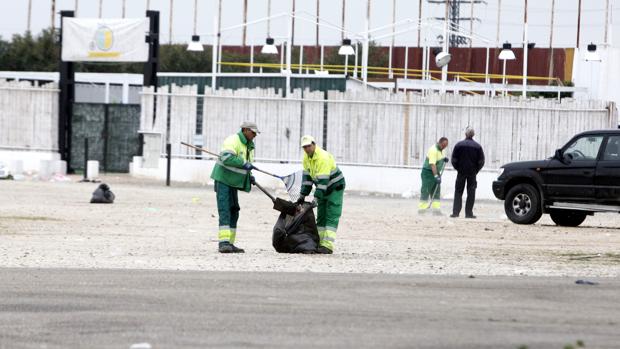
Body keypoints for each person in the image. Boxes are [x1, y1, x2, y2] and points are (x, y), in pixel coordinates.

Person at [210, 121, 259, 253]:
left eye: (255, 133)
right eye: (252, 132)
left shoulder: (249, 146)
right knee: (225, 209)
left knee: (234, 210)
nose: (254, 135)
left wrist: (250, 175)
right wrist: (244, 163)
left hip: (233, 182)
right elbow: (227, 158)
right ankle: (223, 243)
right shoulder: (233, 140)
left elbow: (246, 165)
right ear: (245, 130)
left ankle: (230, 243)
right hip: (224, 180)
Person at [297, 135, 345, 254]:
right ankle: (319, 242)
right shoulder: (306, 158)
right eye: (304, 147)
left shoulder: (323, 157)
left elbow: (323, 181)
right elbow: (307, 179)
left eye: (308, 146)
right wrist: (302, 195)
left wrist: (316, 197)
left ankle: (327, 245)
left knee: (331, 215)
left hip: (334, 188)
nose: (307, 149)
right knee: (321, 216)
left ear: (314, 144)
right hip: (323, 188)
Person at [450, 127, 485, 219]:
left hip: (461, 171)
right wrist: (476, 170)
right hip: (472, 172)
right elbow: (481, 161)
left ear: (465, 134)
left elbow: (454, 159)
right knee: (471, 192)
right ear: (473, 135)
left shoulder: (459, 145)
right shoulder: (478, 146)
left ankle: (455, 212)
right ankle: (469, 213)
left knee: (458, 191)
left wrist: (458, 168)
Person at [418, 137, 449, 215]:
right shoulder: (433, 150)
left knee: (436, 191)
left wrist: (444, 159)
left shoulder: (442, 150)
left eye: (446, 146)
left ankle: (436, 211)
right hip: (428, 173)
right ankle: (422, 210)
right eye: (443, 145)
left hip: (436, 172)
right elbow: (432, 164)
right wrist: (436, 176)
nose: (444, 147)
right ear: (439, 143)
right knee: (426, 190)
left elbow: (440, 158)